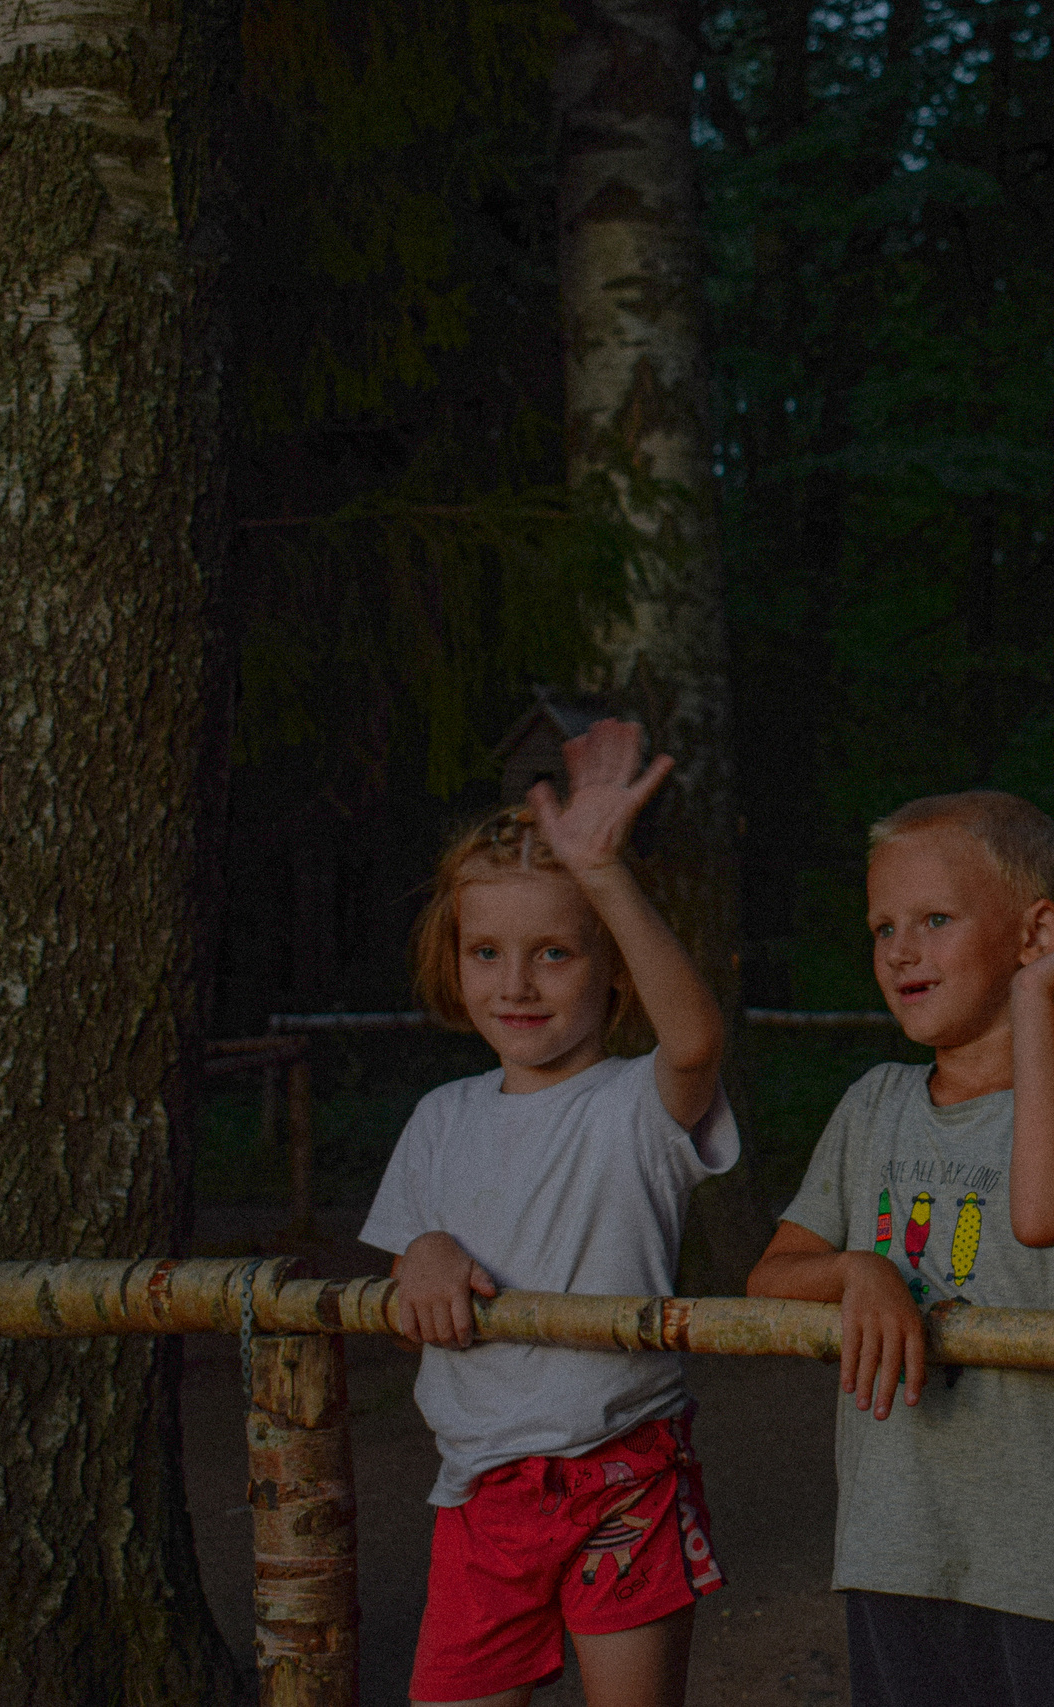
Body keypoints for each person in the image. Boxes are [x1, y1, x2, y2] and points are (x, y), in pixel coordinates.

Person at [747, 790, 1054, 1707]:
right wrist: (858, 1268)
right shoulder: (871, 1106)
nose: (900, 949)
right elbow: (770, 1278)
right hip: (895, 1548)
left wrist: (1035, 1004)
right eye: (883, 926)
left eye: (935, 919)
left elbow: (1041, 1213)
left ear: (1035, 934)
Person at [362, 718, 740, 1707]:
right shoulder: (439, 1121)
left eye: (555, 954)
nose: (515, 984)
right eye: (486, 951)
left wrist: (605, 873)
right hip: (479, 1494)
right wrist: (425, 1254)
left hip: (624, 1479)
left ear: (612, 967)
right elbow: (415, 1283)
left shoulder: (634, 1106)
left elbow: (695, 1041)